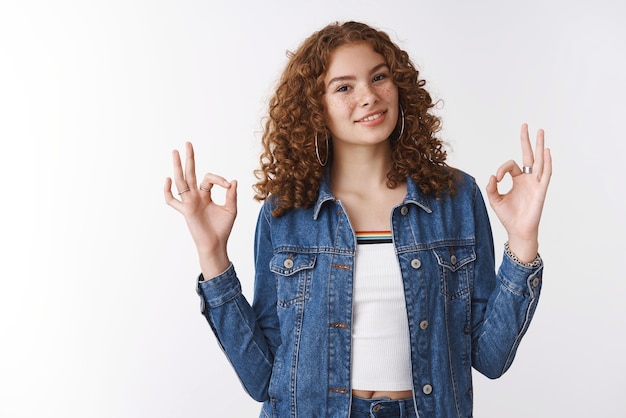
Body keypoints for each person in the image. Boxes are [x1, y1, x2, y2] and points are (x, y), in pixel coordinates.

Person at [164, 20, 552, 418]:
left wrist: (523, 241)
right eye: (344, 87)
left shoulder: (455, 197)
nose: (369, 96)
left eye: (379, 77)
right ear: (315, 108)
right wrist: (211, 253)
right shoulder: (286, 212)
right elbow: (262, 377)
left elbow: (491, 357)